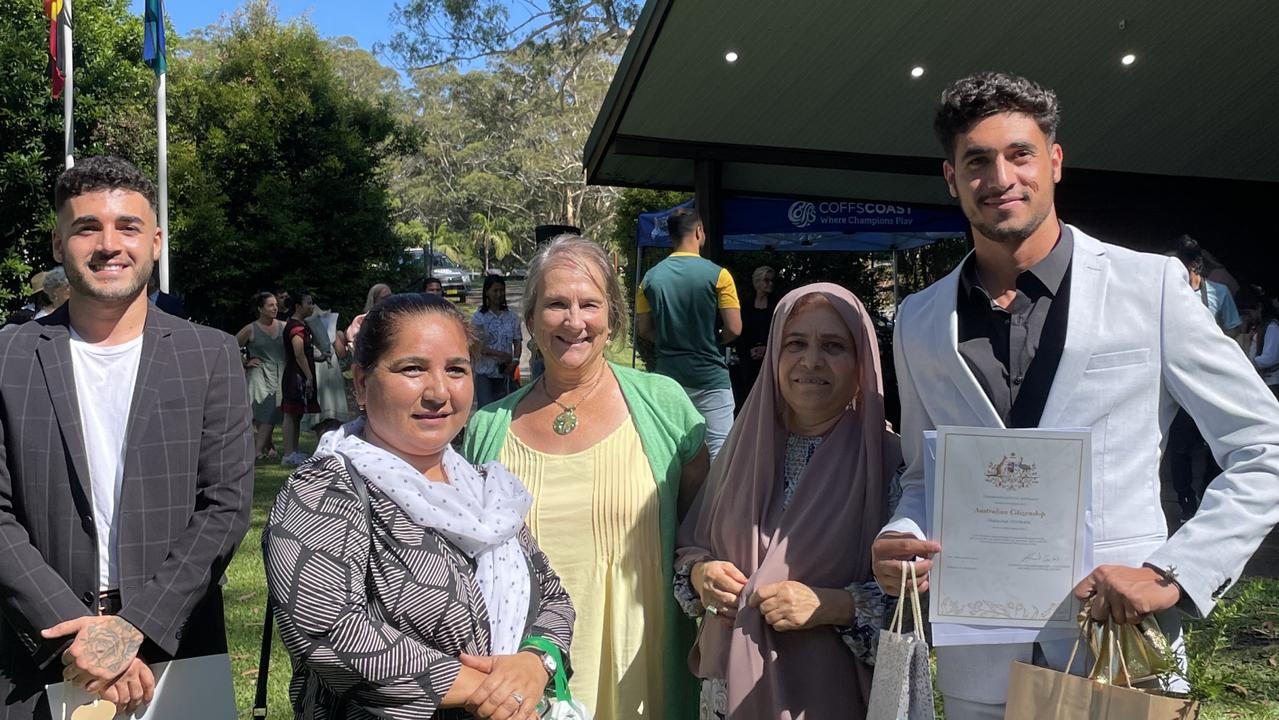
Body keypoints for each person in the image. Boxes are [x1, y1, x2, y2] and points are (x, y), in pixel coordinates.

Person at [871, 72, 1279, 720]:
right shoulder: (918, 322)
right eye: (975, 160)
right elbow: (924, 477)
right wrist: (900, 536)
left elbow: (1264, 447)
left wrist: (1172, 573)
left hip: (1117, 651)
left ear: (1053, 163)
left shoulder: (1150, 289)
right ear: (950, 177)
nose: (999, 176)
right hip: (981, 661)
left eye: (1018, 154)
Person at [0, 156, 253, 718]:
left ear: (156, 242)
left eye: (128, 227)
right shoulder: (6, 357)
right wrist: (77, 640)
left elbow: (226, 506)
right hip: (38, 650)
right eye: (88, 226)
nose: (109, 243)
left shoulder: (208, 356)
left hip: (175, 643)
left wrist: (132, 631)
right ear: (59, 241)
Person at [264, 292, 574, 719]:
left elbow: (555, 598)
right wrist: (490, 691)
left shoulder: (486, 491)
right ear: (360, 383)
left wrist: (536, 662)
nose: (438, 392)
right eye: (412, 369)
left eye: (456, 370)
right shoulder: (325, 490)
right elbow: (329, 631)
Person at [464, 235, 709, 720]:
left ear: (612, 315)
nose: (574, 321)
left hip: (641, 669)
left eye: (589, 304)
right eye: (556, 304)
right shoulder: (486, 427)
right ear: (531, 318)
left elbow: (703, 526)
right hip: (526, 671)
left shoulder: (665, 406)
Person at [675, 284, 899, 720]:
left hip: (828, 694)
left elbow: (919, 599)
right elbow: (689, 552)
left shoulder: (890, 462)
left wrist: (833, 605)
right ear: (774, 352)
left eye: (834, 346)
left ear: (861, 361)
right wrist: (702, 575)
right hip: (729, 693)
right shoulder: (744, 451)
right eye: (795, 343)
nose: (811, 361)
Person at [636, 207, 741, 460]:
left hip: (668, 377)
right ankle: (714, 501)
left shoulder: (650, 278)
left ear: (670, 237)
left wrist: (669, 340)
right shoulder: (720, 275)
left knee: (671, 453)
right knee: (719, 454)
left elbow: (644, 329)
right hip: (710, 378)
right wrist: (716, 339)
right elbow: (735, 328)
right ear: (699, 232)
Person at [1163, 235, 1243, 520]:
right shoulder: (1166, 292)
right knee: (1180, 446)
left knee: (1214, 444)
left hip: (1211, 381)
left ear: (1196, 267)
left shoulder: (1218, 293)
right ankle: (1185, 499)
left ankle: (1208, 495)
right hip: (1176, 380)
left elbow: (1233, 328)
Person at [236, 291, 287, 461]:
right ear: (260, 308)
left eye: (276, 305)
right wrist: (245, 362)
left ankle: (268, 447)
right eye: (270, 305)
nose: (275, 308)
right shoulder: (251, 329)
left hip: (280, 374)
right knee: (265, 413)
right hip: (260, 375)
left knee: (272, 412)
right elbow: (231, 346)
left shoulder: (284, 326)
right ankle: (257, 450)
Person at [280, 289, 320, 466]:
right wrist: (309, 375)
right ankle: (288, 453)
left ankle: (293, 451)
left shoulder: (301, 325)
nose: (312, 307)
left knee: (296, 414)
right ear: (298, 306)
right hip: (296, 375)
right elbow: (299, 353)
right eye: (309, 303)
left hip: (298, 372)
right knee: (290, 413)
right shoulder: (296, 327)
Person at [729, 265, 777, 410]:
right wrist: (749, 351)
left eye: (772, 280)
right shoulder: (745, 304)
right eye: (766, 280)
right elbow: (739, 332)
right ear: (757, 282)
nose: (770, 284)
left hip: (771, 358)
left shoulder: (777, 304)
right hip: (748, 359)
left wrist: (767, 349)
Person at [472, 274, 522, 408]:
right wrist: (501, 355)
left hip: (506, 373)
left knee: (505, 409)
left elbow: (517, 340)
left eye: (501, 290)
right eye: (495, 291)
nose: (499, 294)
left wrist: (515, 361)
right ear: (487, 292)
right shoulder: (479, 317)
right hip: (485, 373)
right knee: (486, 409)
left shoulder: (512, 317)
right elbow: (478, 346)